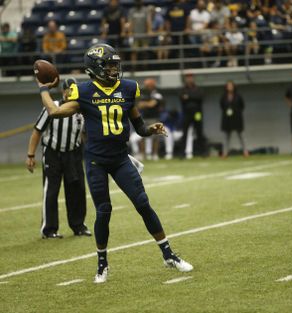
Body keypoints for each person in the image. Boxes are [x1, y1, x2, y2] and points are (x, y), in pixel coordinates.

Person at [36, 43, 193, 283]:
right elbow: (55, 113)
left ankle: (168, 254)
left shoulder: (128, 88)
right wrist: (43, 90)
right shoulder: (83, 91)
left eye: (115, 64)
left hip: (120, 159)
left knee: (143, 203)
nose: (114, 69)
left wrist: (151, 129)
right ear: (96, 68)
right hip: (97, 162)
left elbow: (138, 127)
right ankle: (102, 264)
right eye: (109, 65)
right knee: (104, 211)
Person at [26, 78, 90, 239]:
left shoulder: (81, 109)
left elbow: (83, 135)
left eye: (75, 89)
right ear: (64, 91)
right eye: (70, 89)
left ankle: (78, 226)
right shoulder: (52, 105)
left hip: (73, 154)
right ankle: (49, 229)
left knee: (77, 190)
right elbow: (37, 131)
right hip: (53, 153)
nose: (72, 92)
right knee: (51, 191)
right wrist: (30, 155)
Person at [179, 73, 206, 159]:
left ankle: (202, 152)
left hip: (197, 113)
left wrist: (189, 97)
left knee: (199, 133)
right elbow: (181, 98)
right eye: (188, 78)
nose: (189, 79)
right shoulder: (183, 89)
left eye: (191, 78)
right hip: (187, 113)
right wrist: (192, 97)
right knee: (185, 133)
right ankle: (182, 153)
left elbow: (200, 97)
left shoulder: (197, 88)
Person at [137, 78, 164, 160]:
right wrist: (147, 104)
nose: (147, 87)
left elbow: (152, 104)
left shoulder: (157, 94)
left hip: (154, 118)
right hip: (144, 118)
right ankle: (143, 154)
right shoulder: (144, 94)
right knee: (141, 136)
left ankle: (154, 154)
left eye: (148, 85)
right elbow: (139, 105)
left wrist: (146, 104)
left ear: (152, 85)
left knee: (155, 136)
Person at [220, 80, 248, 158]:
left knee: (241, 135)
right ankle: (225, 153)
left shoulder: (238, 96)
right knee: (226, 137)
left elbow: (242, 106)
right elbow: (221, 106)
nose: (230, 87)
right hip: (227, 119)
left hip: (237, 118)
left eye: (231, 85)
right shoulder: (223, 96)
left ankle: (245, 151)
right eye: (228, 86)